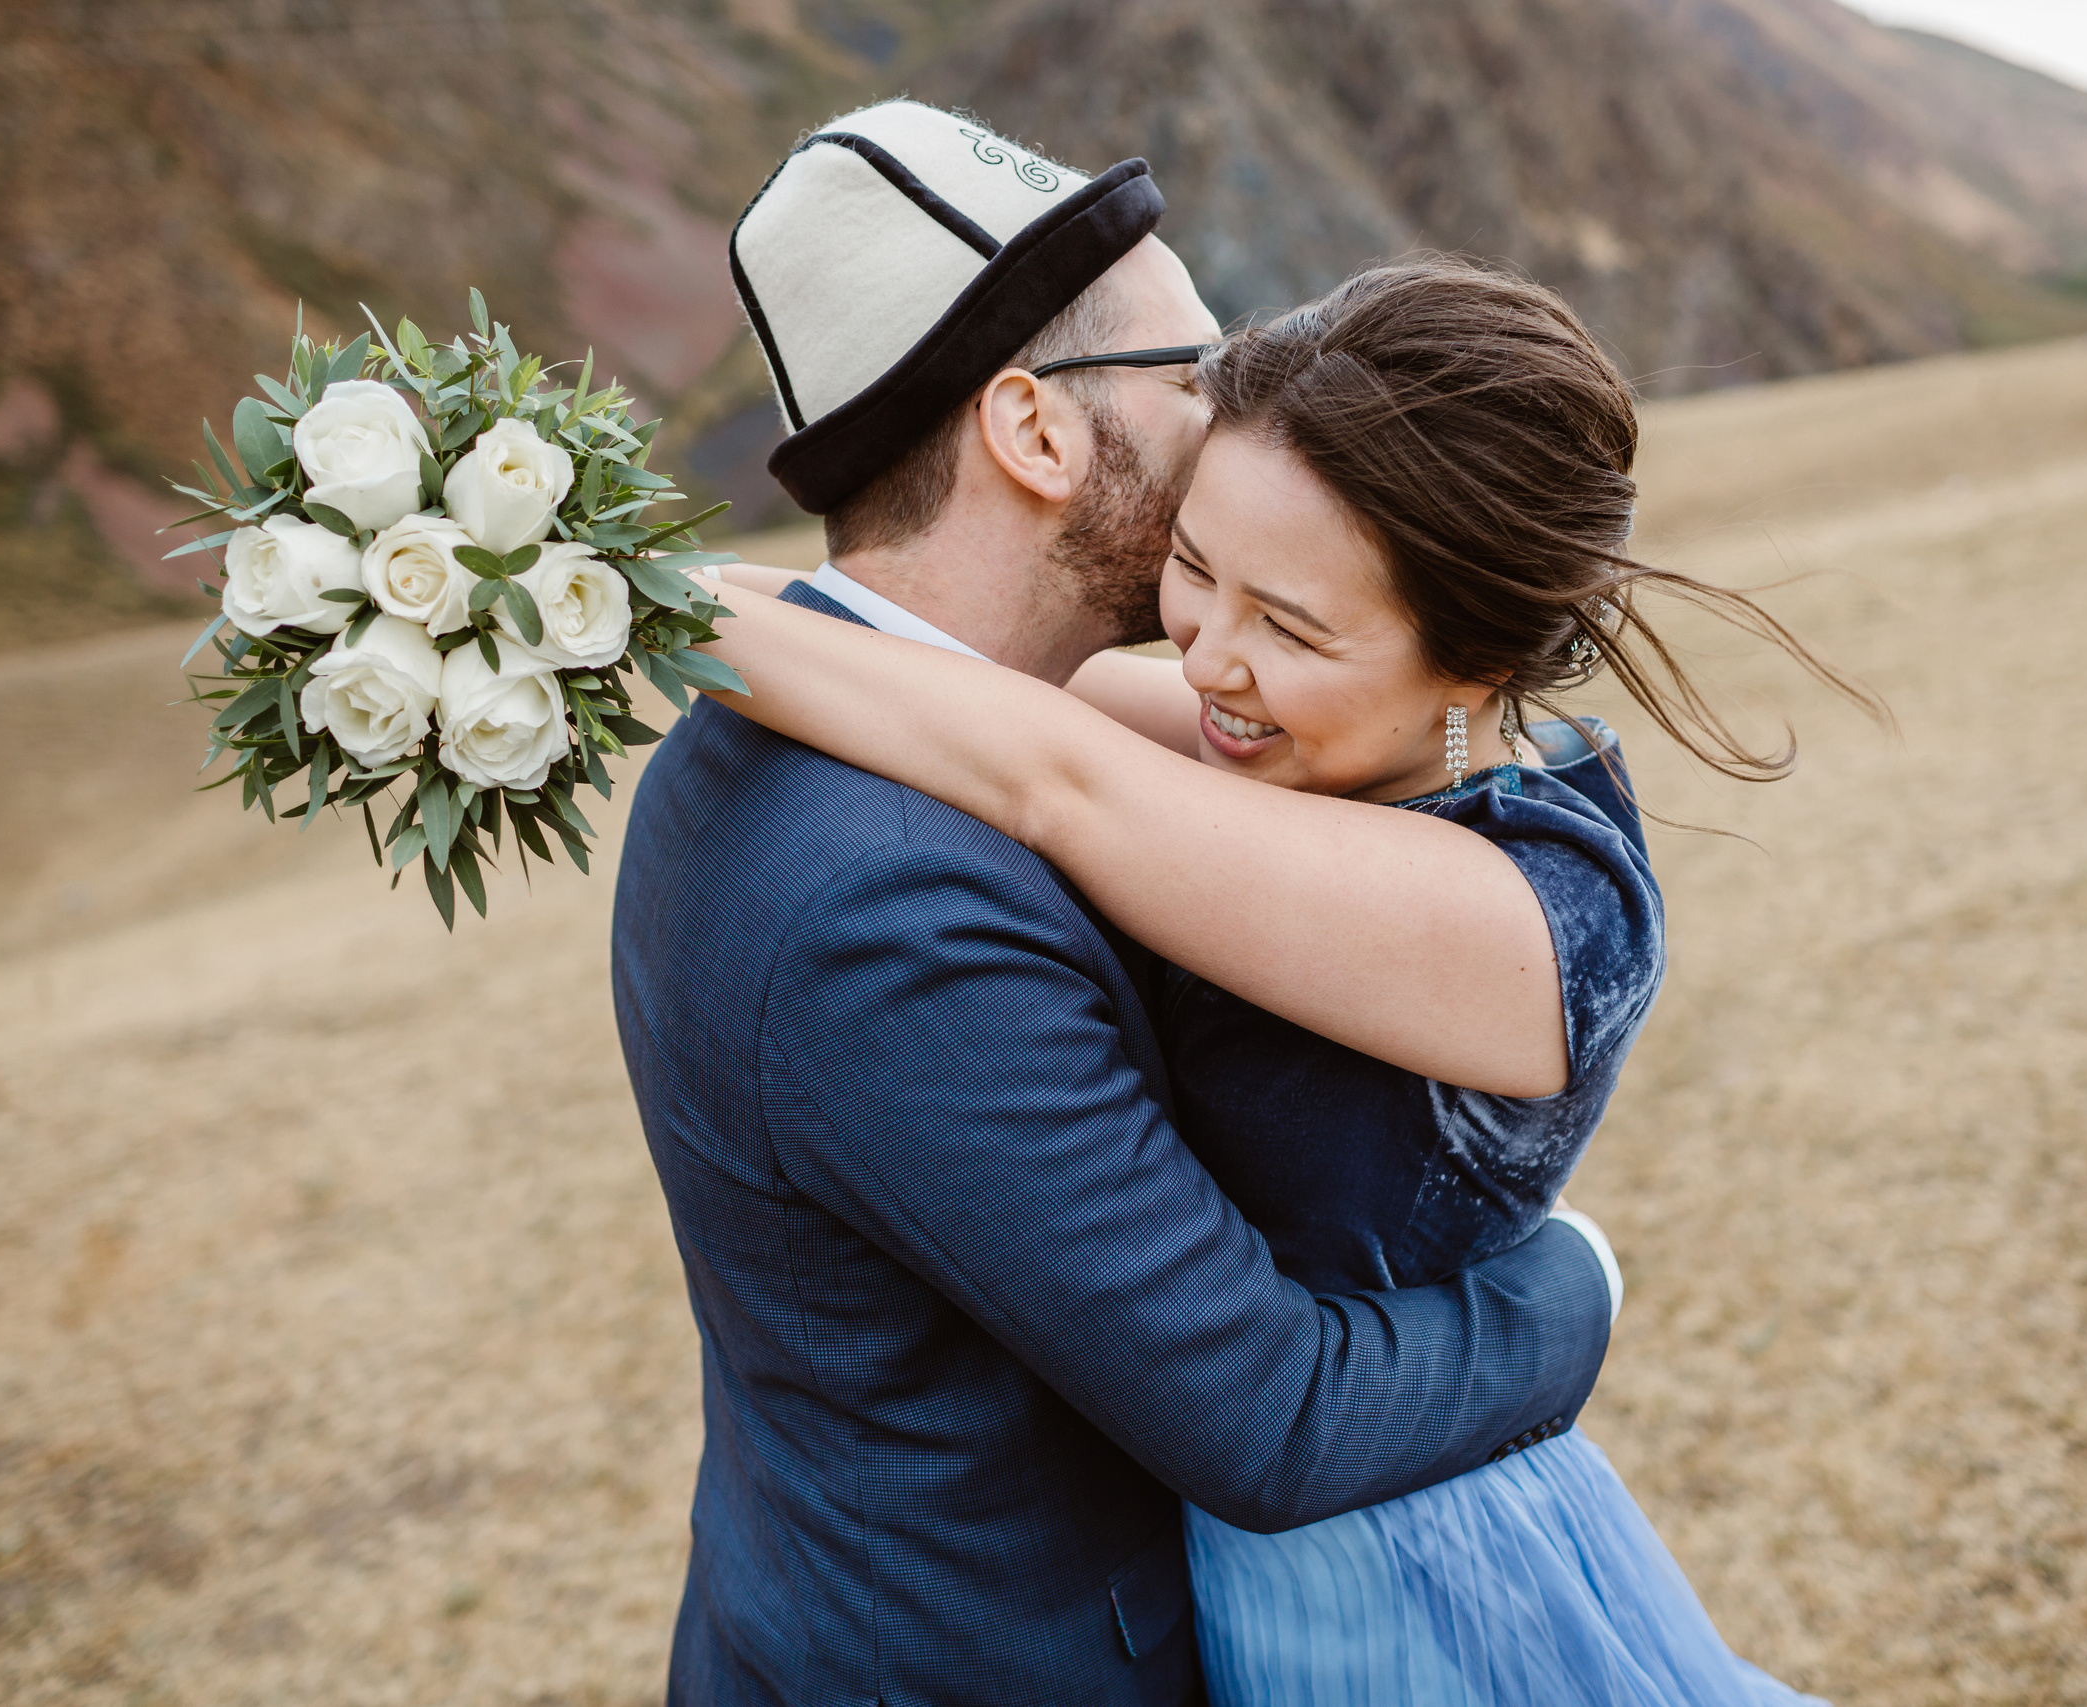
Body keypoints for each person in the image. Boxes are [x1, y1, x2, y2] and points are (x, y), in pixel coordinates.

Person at [682, 254, 1867, 1704]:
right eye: (1194, 565)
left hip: (1402, 1573)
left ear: (1475, 657)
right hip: (1267, 1557)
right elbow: (970, 684)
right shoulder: (1310, 733)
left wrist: (616, 595)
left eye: (1291, 626)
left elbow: (1048, 772)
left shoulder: (1528, 914)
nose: (1206, 656)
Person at [611, 103, 1625, 1706]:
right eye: (1191, 372)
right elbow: (1266, 1411)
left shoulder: (784, 729)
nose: (1236, 409)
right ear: (1033, 432)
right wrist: (1579, 1287)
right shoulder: (885, 897)